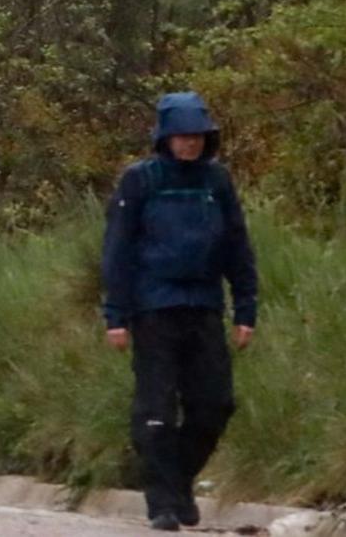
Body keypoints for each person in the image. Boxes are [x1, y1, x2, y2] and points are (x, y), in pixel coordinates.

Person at [101, 92, 258, 532]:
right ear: (165, 138)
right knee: (156, 409)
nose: (189, 144)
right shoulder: (140, 181)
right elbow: (117, 251)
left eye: (197, 137)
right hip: (153, 308)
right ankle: (162, 504)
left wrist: (246, 308)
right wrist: (115, 315)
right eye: (182, 136)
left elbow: (238, 247)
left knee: (215, 404)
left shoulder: (217, 182)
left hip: (205, 305)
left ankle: (177, 482)